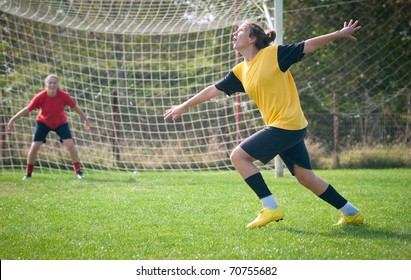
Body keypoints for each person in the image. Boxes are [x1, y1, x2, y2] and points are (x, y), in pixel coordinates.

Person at [164, 19, 364, 228]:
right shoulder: (241, 71)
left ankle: (270, 207)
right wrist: (184, 106)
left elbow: (308, 45)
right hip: (289, 127)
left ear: (252, 39)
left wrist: (338, 34)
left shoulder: (273, 54)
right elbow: (213, 89)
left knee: (238, 156)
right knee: (306, 178)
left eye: (240, 31)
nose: (235, 34)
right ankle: (352, 213)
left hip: (286, 124)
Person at [7, 74, 91, 180]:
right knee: (34, 147)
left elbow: (75, 108)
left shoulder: (64, 96)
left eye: (54, 83)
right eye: (50, 83)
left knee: (70, 145)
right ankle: (28, 174)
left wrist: (86, 120)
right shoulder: (40, 96)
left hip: (60, 123)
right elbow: (27, 109)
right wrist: (12, 120)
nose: (52, 85)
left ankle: (78, 172)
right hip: (43, 123)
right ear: (46, 84)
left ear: (58, 84)